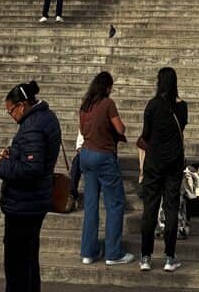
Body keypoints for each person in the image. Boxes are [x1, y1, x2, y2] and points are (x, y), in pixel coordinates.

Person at [0, 81, 62, 292]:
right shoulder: (45, 119)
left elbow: (31, 168)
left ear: (21, 105)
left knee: (17, 265)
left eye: (11, 110)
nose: (11, 115)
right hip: (34, 201)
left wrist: (2, 165)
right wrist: (13, 155)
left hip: (24, 204)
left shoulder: (33, 125)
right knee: (29, 260)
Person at [78, 71, 133, 267]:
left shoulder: (85, 105)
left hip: (85, 155)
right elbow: (120, 129)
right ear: (107, 87)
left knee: (91, 204)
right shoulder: (108, 104)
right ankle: (113, 252)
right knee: (115, 203)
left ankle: (88, 252)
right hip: (104, 156)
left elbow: (82, 131)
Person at [138, 67, 187, 272]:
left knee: (150, 208)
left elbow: (146, 135)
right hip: (174, 162)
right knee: (171, 207)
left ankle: (146, 257)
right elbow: (181, 128)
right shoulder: (182, 106)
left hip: (154, 162)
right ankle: (169, 257)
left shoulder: (152, 105)